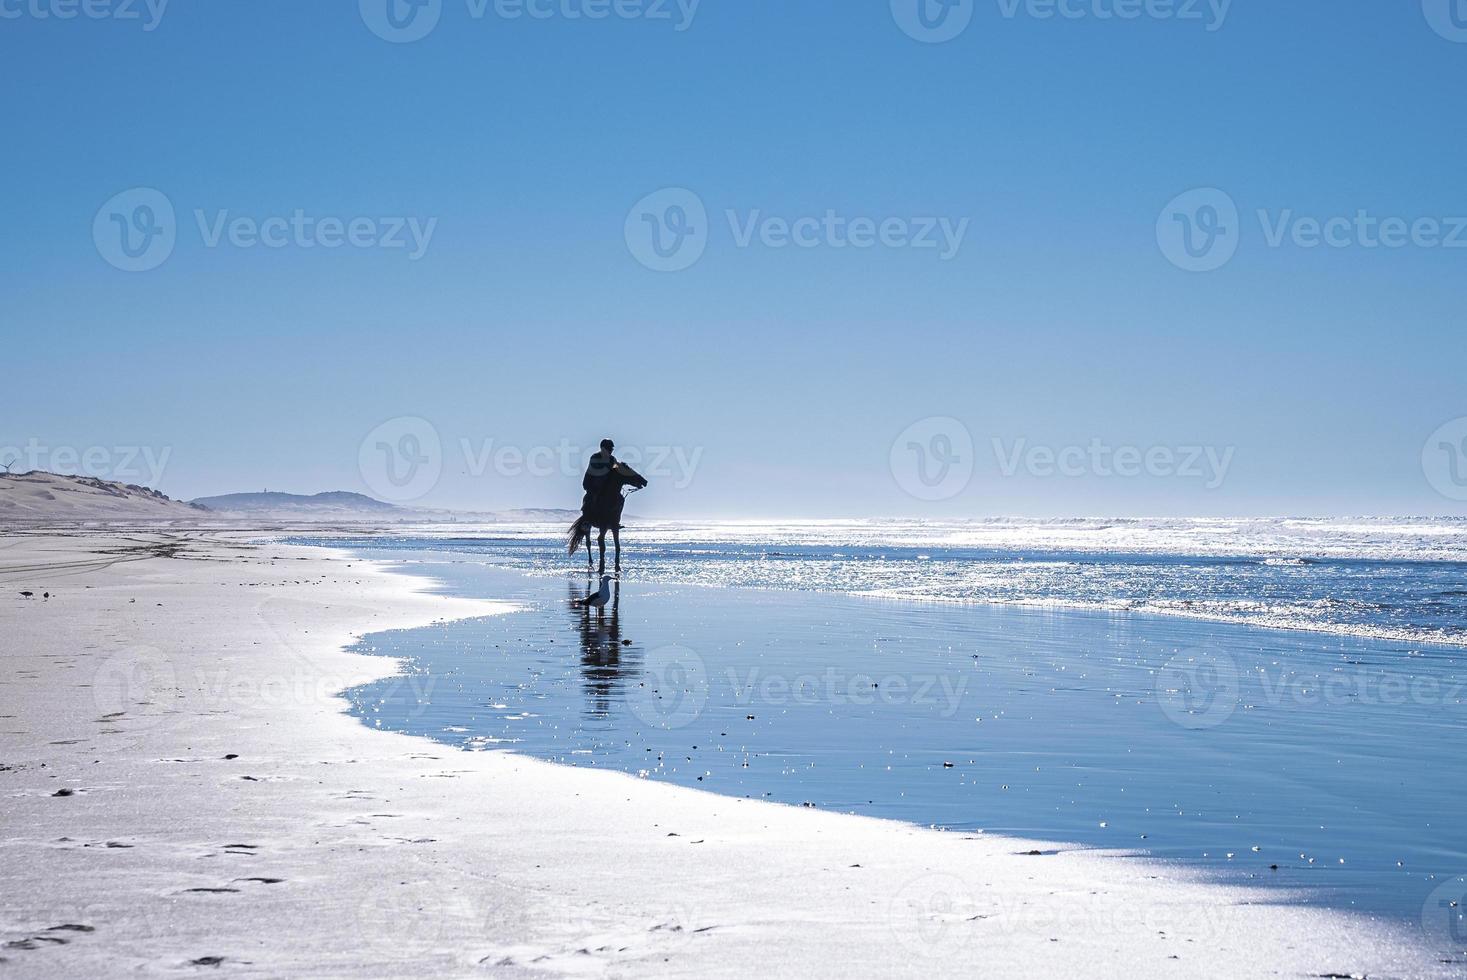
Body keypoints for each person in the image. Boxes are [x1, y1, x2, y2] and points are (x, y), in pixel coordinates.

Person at [581, 439, 616, 512]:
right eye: (609, 448)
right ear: (603, 448)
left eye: (612, 449)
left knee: (619, 498)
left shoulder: (612, 459)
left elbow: (617, 469)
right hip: (592, 485)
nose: (611, 450)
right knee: (591, 498)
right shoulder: (595, 457)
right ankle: (587, 518)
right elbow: (599, 471)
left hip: (606, 485)